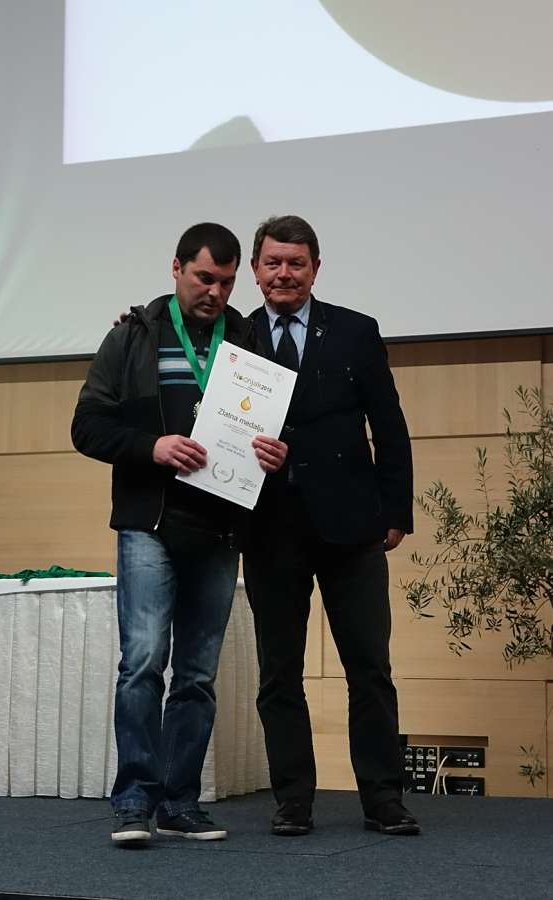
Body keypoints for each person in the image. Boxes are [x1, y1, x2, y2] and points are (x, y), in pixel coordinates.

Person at [71, 222, 286, 845]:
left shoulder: (248, 340)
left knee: (196, 676)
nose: (214, 292)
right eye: (203, 278)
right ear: (176, 268)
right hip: (151, 526)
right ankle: (134, 802)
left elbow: (275, 424)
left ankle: (181, 803)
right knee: (142, 664)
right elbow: (87, 426)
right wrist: (152, 446)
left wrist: (277, 452)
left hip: (220, 530)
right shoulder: (132, 336)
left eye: (226, 282)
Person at [243, 215, 420, 836]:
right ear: (256, 270)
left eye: (296, 263)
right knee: (278, 674)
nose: (283, 274)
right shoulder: (234, 337)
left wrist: (396, 511)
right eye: (272, 262)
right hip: (269, 527)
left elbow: (389, 425)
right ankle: (293, 800)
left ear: (315, 268)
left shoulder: (355, 330)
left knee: (369, 667)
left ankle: (384, 799)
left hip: (353, 526)